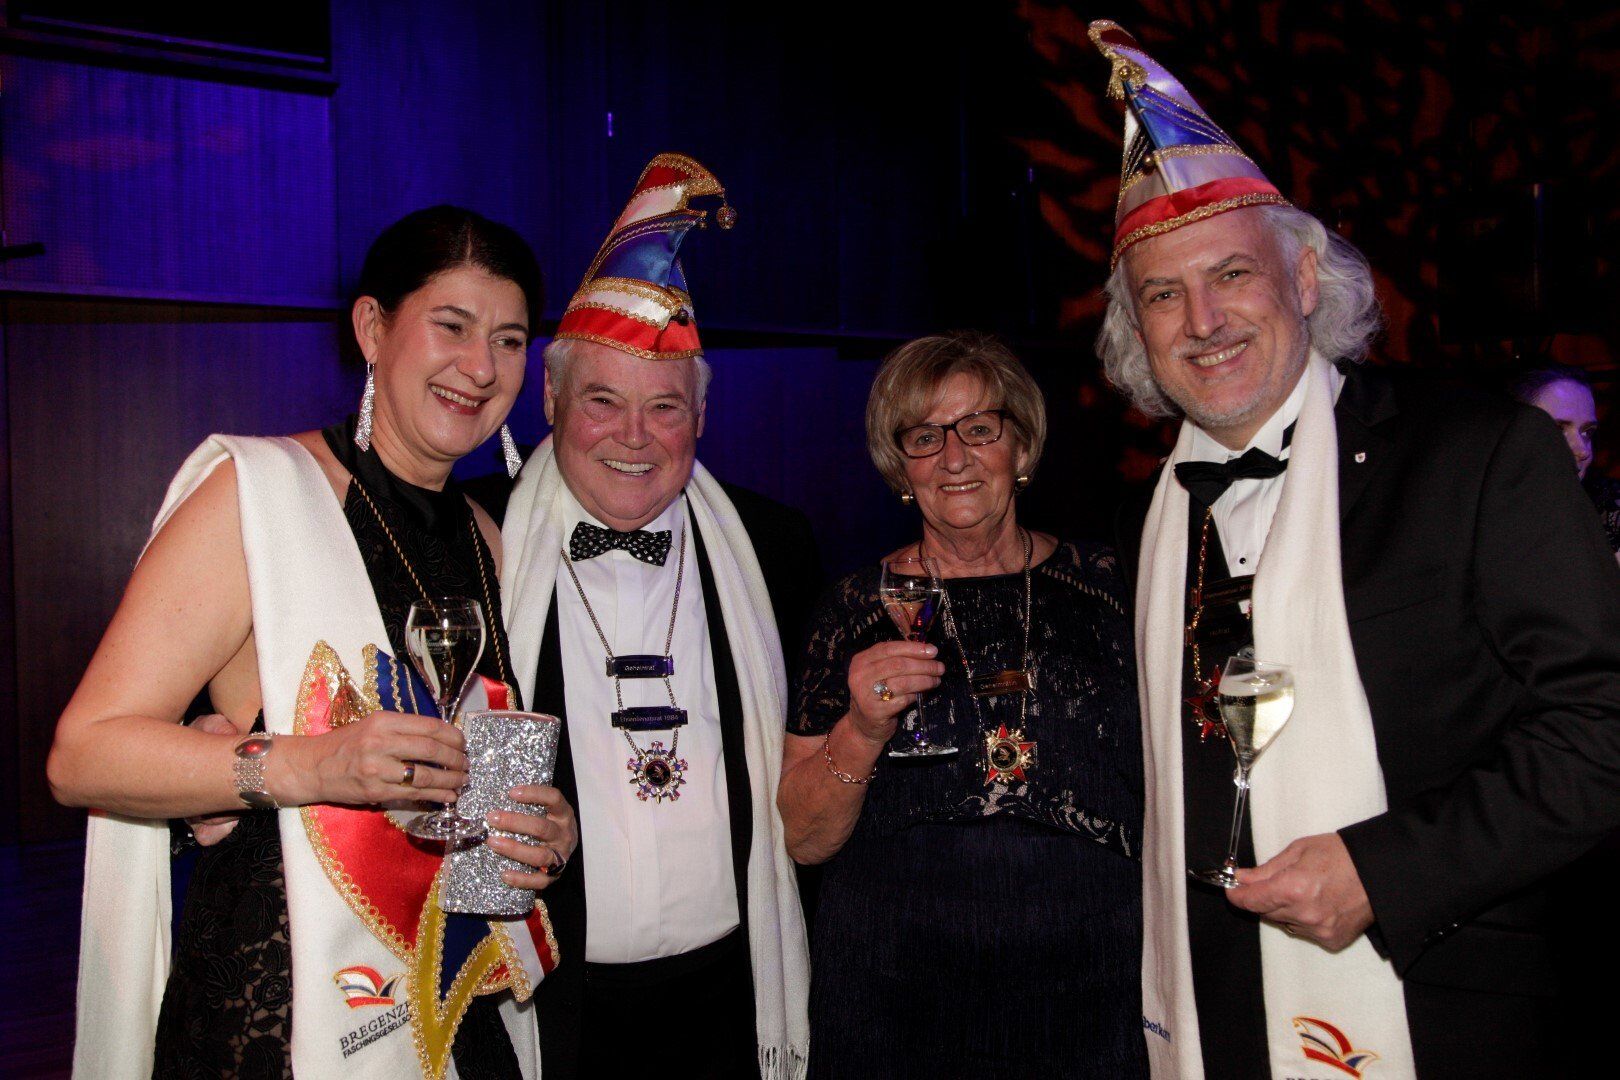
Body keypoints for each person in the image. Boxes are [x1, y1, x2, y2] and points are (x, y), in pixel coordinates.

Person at [1089, 20, 1620, 1079]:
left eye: (1231, 273)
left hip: (1434, 1007)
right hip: (1204, 1009)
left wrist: (1386, 871)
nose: (1203, 320)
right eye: (1163, 295)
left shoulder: (1476, 457)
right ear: (1135, 332)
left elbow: (1600, 730)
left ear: (1303, 278)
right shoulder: (1139, 522)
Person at [48, 206, 578, 1080]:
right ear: (373, 328)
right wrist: (310, 765)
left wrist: (538, 828)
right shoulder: (256, 496)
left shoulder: (486, 536)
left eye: (510, 340)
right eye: (451, 326)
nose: (481, 367)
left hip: (444, 1009)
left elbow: (467, 766)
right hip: (276, 1014)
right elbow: (82, 755)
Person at [496, 153, 817, 1080]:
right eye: (602, 400)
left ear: (701, 418)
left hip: (729, 1001)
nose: (634, 437)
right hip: (552, 1005)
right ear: (550, 398)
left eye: (665, 408)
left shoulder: (775, 547)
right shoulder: (475, 540)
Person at [777, 331, 1147, 1079]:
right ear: (900, 467)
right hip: (897, 998)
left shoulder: (1114, 586)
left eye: (979, 428)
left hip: (1094, 989)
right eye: (925, 437)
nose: (954, 458)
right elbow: (805, 840)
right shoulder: (852, 611)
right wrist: (862, 729)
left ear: (1022, 445)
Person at [1512, 364, 1620, 556]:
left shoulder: (1607, 508)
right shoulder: (1475, 517)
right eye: (1558, 429)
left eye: (1587, 432)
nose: (1583, 450)